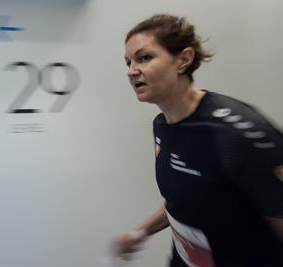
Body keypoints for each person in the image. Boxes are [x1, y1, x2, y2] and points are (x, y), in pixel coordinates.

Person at [113, 14, 283, 267]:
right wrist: (140, 232)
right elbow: (187, 196)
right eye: (128, 62)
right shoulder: (161, 125)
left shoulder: (239, 133)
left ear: (183, 59)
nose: (132, 71)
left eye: (144, 57)